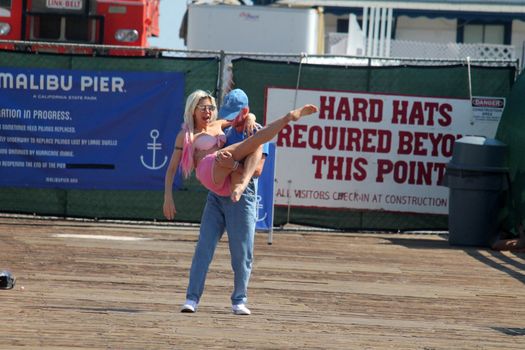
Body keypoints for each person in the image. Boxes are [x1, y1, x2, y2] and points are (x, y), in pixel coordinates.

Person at [163, 89, 318, 315]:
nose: (208, 112)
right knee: (203, 249)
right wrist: (168, 195)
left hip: (240, 193)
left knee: (242, 252)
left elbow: (258, 169)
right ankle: (192, 298)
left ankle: (239, 300)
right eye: (203, 108)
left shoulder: (248, 127)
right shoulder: (201, 131)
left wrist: (235, 164)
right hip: (216, 191)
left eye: (210, 108)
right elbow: (173, 167)